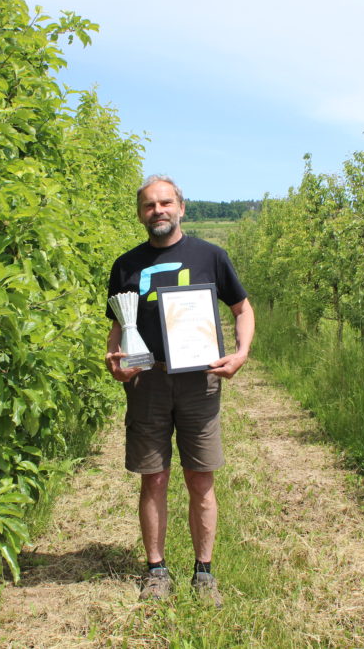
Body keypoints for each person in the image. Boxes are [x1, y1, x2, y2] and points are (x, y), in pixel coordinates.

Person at [105, 174, 255, 606]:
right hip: (147, 380)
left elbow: (242, 308)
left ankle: (203, 572)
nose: (159, 211)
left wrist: (242, 353)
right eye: (150, 205)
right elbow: (118, 325)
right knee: (153, 477)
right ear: (140, 213)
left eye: (166, 203)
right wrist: (114, 360)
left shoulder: (211, 256)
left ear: (181, 207)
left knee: (200, 478)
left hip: (199, 381)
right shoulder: (125, 265)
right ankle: (156, 570)